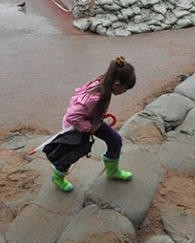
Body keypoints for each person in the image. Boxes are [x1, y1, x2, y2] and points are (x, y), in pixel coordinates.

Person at [43, 56, 136, 192]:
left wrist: (96, 119)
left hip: (93, 120)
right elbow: (72, 116)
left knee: (115, 139)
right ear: (117, 84)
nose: (125, 92)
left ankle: (112, 171)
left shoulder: (106, 83)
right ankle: (58, 176)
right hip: (76, 126)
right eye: (125, 89)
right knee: (72, 154)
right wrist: (88, 128)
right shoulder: (95, 97)